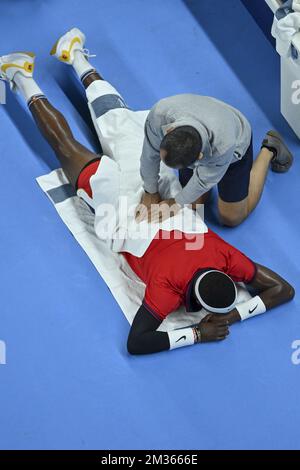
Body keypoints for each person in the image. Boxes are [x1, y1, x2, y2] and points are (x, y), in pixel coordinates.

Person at [0, 28, 295, 356]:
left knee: (117, 119)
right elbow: (137, 342)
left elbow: (284, 289)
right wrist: (200, 331)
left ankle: (77, 56)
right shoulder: (166, 292)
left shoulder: (227, 259)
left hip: (152, 192)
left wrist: (153, 194)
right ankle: (18, 74)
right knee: (66, 146)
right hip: (121, 211)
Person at [136, 91, 293, 228]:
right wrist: (150, 190)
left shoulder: (224, 145)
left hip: (235, 142)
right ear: (170, 130)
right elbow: (150, 155)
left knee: (230, 218)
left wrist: (175, 203)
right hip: (204, 121)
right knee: (194, 205)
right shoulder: (159, 116)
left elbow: (203, 180)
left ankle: (270, 149)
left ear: (199, 158)